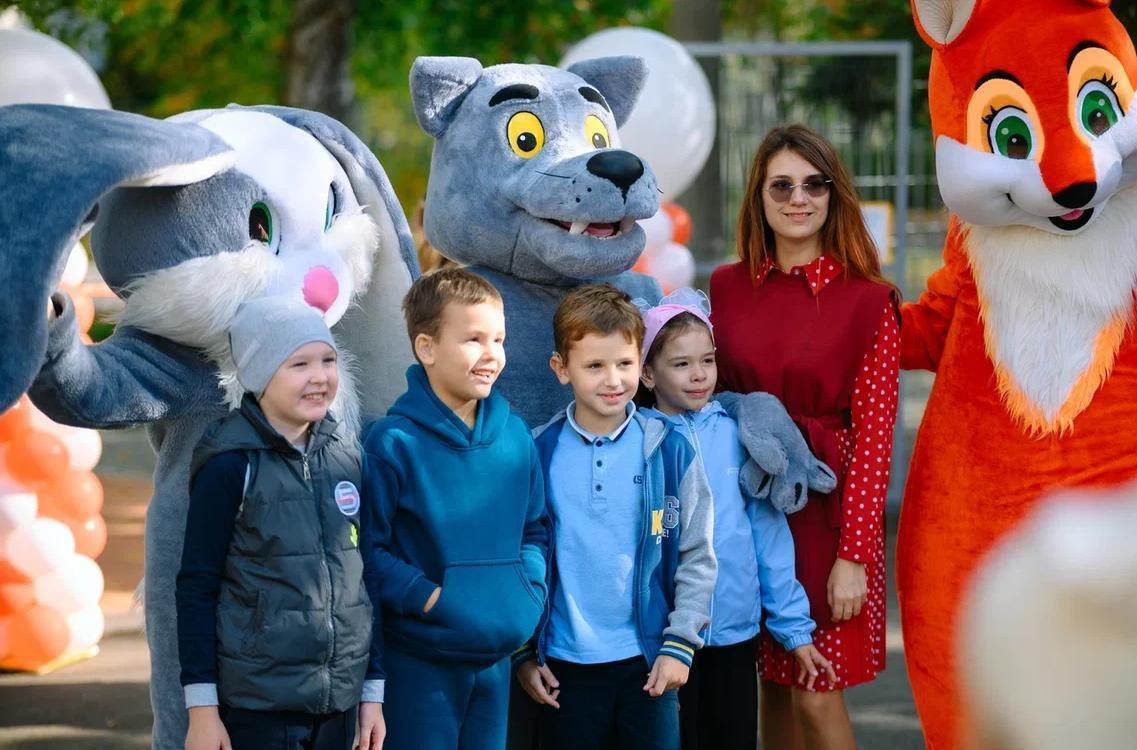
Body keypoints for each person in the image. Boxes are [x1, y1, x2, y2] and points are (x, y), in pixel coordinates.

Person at [709, 123, 900, 750]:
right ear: (759, 197)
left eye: (814, 185)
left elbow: (874, 441)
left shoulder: (870, 300)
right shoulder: (727, 287)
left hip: (827, 515)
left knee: (819, 694)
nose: (799, 198)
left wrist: (855, 558)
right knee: (771, 686)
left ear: (833, 194)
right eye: (781, 185)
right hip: (747, 507)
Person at [514, 283, 717, 750]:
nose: (612, 380)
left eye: (624, 364)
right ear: (561, 369)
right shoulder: (537, 453)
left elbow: (697, 555)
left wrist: (680, 644)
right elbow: (520, 553)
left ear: (640, 364)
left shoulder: (670, 449)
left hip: (649, 663)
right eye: (594, 366)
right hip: (564, 669)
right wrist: (524, 653)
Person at [634, 288, 837, 750]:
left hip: (734, 631)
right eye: (681, 364)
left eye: (707, 360)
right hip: (664, 635)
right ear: (648, 372)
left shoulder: (738, 435)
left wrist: (793, 627)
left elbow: (768, 534)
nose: (699, 374)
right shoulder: (640, 441)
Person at [175, 296, 379, 750]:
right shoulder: (230, 465)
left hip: (338, 704)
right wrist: (203, 709)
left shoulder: (346, 457)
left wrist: (372, 692)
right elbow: (196, 587)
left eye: (328, 360)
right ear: (260, 374)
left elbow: (363, 577)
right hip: (258, 709)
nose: (320, 377)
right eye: (299, 364)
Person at [358, 267, 548, 750]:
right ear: (426, 348)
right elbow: (368, 552)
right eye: (474, 339)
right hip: (419, 665)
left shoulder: (516, 437)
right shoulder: (392, 443)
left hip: (494, 663)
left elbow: (535, 528)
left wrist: (527, 586)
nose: (492, 355)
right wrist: (429, 598)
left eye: (499, 339)